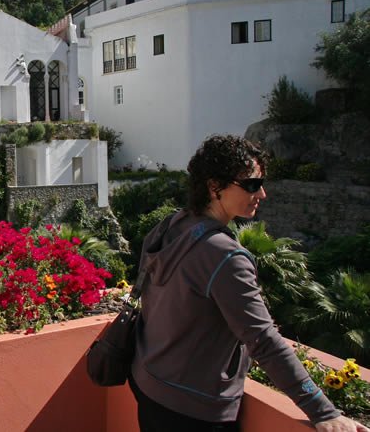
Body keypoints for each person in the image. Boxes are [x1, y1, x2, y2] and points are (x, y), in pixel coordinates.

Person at [129, 134, 368, 432]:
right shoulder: (225, 256)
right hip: (193, 408)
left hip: (149, 382)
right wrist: (322, 410)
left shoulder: (171, 225)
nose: (263, 194)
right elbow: (263, 340)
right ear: (215, 187)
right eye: (252, 185)